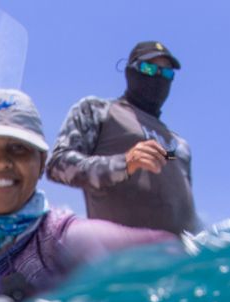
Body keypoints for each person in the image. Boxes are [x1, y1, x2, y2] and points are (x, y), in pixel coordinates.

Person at [0, 89, 175, 301]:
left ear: (41, 164)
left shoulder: (57, 237)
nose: (1, 162)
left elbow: (159, 249)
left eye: (18, 149)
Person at [46, 40, 197, 235]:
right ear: (130, 71)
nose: (158, 77)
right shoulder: (98, 111)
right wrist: (123, 164)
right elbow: (58, 165)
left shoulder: (179, 145)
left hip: (180, 259)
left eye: (167, 73)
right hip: (120, 257)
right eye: (149, 68)